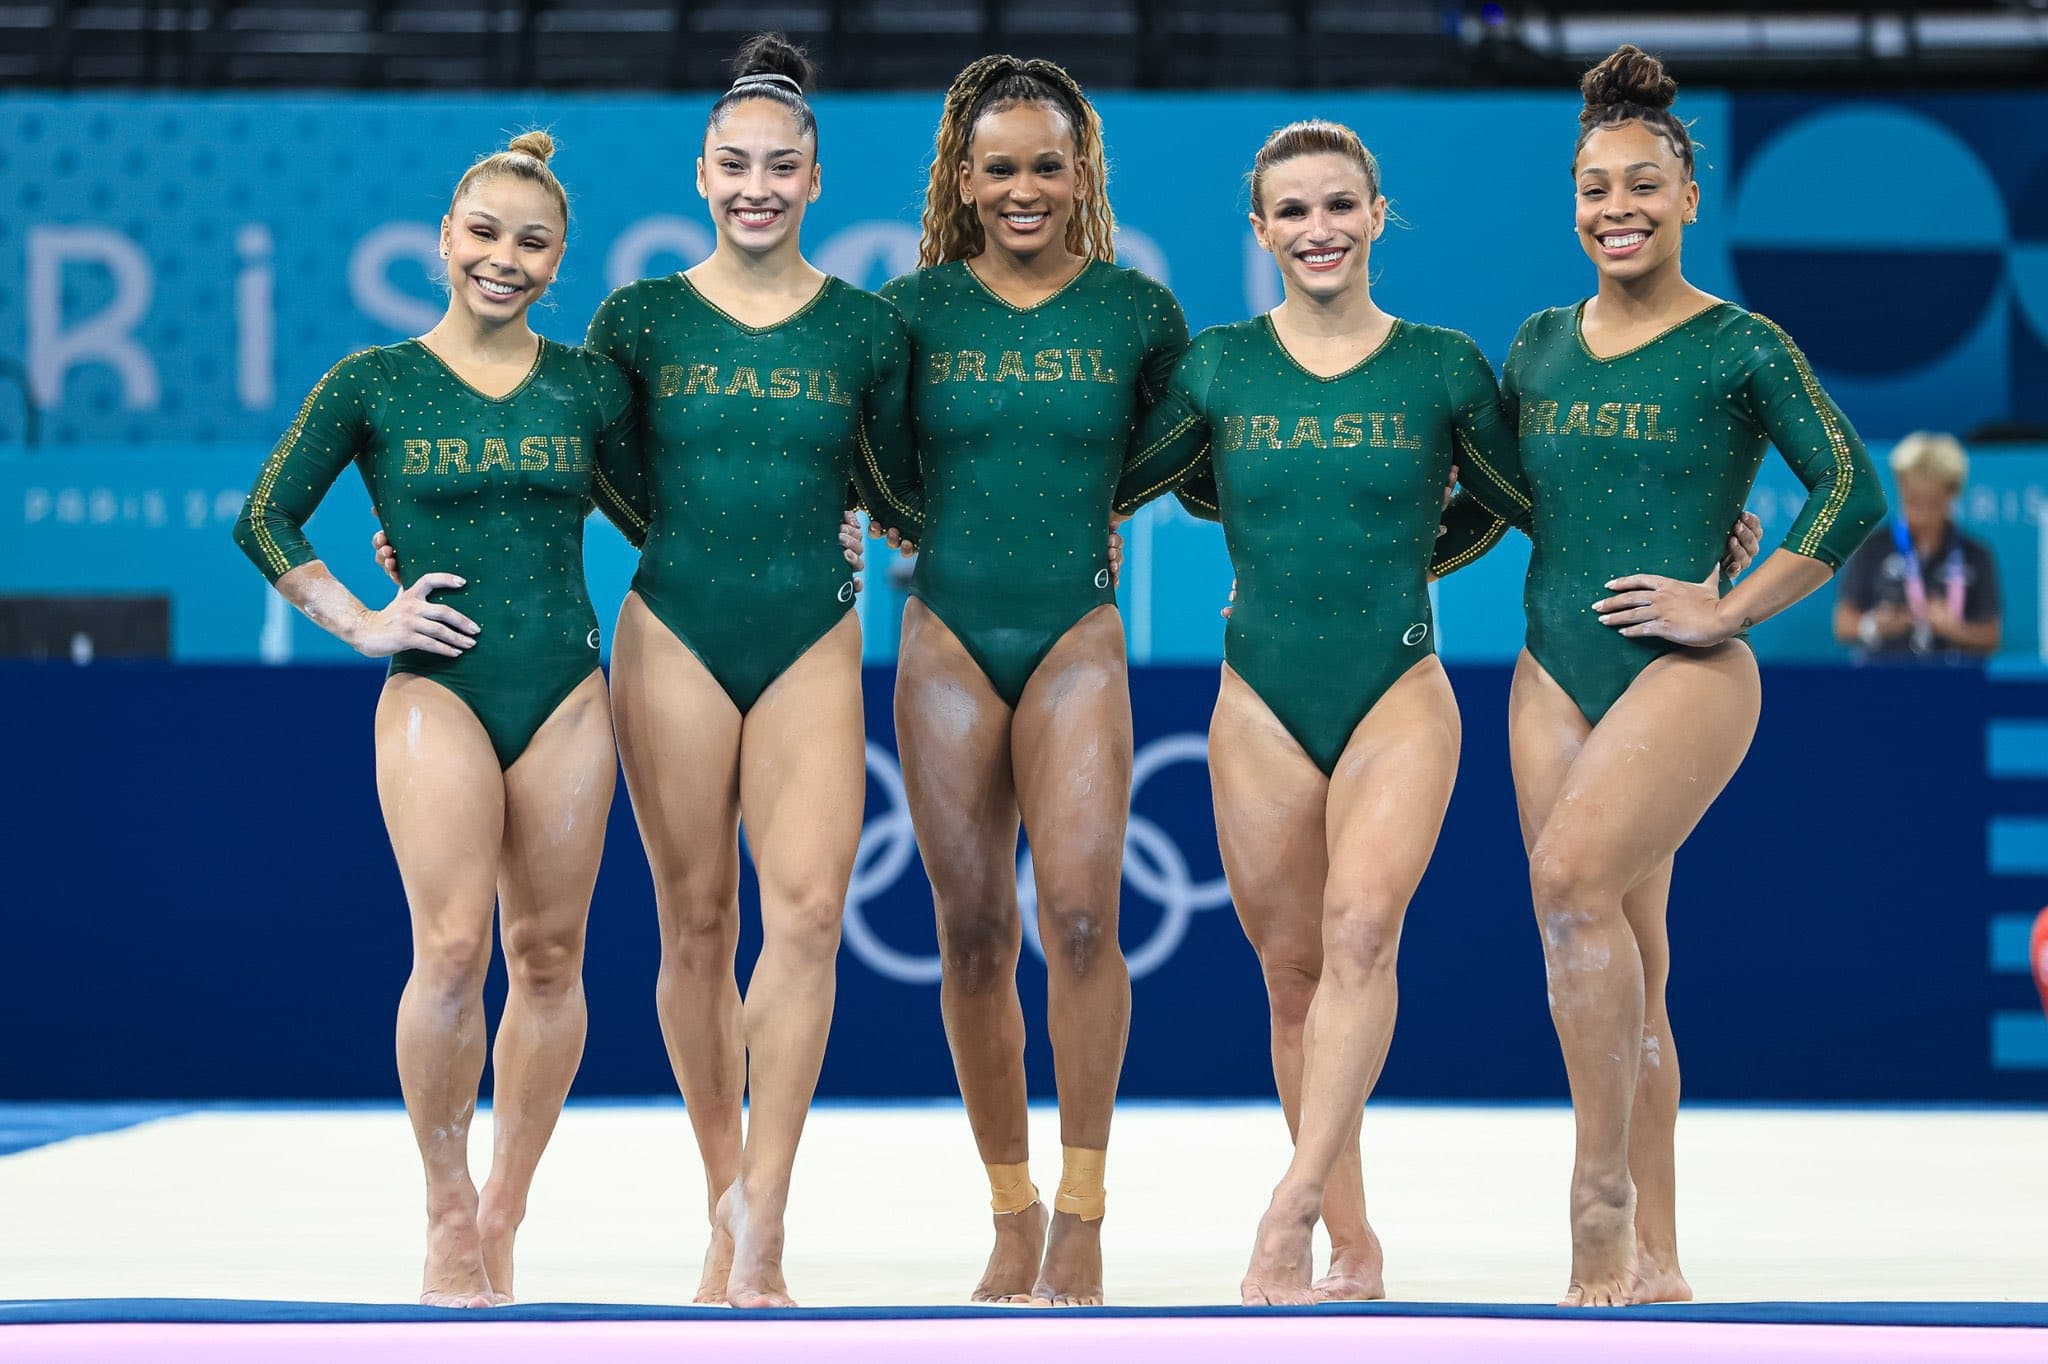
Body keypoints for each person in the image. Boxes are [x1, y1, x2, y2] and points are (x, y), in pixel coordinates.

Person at [1435, 45, 1887, 1306]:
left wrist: (1731, 602)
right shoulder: (1536, 344)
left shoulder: (1740, 344)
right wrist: (1354, 561)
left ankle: (1598, 1199)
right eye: (1594, 188)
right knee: (1620, 953)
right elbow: (1496, 504)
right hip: (1550, 669)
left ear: (1688, 195)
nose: (1616, 208)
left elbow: (1851, 487)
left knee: (1567, 882)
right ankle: (1660, 1257)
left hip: (1683, 671)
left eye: (1642, 185)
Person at [231, 132, 641, 1307]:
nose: (503, 259)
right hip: (436, 689)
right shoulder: (373, 381)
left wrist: (827, 525)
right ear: (443, 240)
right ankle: (447, 1203)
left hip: (565, 689)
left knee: (548, 955)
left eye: (532, 243)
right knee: (454, 946)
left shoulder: (588, 385)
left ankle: (505, 1207)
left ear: (558, 261)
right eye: (484, 234)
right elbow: (264, 516)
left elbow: (672, 512)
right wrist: (360, 619)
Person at [876, 53, 1187, 1307]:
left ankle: (1081, 1211)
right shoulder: (908, 313)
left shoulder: (1135, 313)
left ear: (1079, 174)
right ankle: (1009, 1209)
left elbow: (1209, 451)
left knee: (1080, 919)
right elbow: (843, 454)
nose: (1022, 189)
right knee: (968, 932)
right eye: (997, 168)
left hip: (1074, 635)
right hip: (946, 635)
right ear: (962, 178)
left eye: (1045, 167)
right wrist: (886, 522)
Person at [1833, 431, 2001, 658]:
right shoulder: (1871, 547)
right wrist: (1874, 625)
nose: (1922, 513)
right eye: (1913, 500)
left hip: (1953, 673)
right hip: (1882, 670)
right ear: (1900, 488)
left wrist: (1956, 630)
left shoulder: (1976, 554)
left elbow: (1991, 636)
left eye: (1932, 502)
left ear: (1952, 493)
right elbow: (1843, 625)